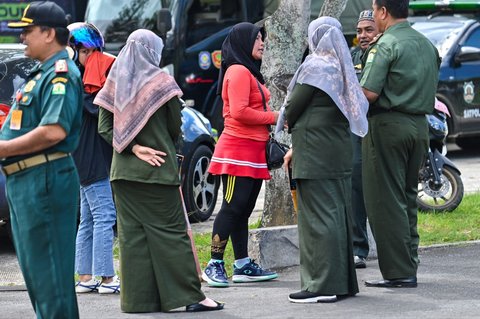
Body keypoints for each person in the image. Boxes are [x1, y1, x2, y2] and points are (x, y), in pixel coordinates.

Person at [95, 29, 223, 313]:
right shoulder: (162, 84)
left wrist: (132, 147)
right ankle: (192, 297)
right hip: (157, 172)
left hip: (123, 175)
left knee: (134, 238)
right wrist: (146, 146)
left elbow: (105, 127)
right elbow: (175, 128)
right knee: (173, 234)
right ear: (151, 51)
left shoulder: (113, 83)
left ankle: (139, 301)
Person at [1, 2, 83, 318]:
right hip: (26, 182)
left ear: (49, 33)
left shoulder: (61, 74)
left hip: (44, 181)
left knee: (51, 282)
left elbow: (54, 131)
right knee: (38, 280)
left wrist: (3, 149)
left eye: (27, 31)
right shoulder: (42, 72)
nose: (22, 38)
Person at [283, 16, 369, 303]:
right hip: (337, 151)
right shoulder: (341, 67)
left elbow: (294, 104)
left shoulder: (316, 65)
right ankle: (341, 283)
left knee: (318, 219)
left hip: (315, 153)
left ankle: (320, 285)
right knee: (336, 214)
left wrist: (287, 123)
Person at [360, 0, 440, 288]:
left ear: (382, 11)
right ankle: (409, 264)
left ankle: (397, 272)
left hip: (387, 125)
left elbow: (368, 92)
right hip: (420, 126)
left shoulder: (385, 44)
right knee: (407, 198)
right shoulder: (427, 44)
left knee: (384, 200)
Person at [202, 22, 279, 287]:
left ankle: (242, 264)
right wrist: (275, 117)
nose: (262, 43)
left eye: (262, 39)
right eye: (257, 39)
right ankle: (213, 263)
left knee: (244, 210)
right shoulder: (237, 70)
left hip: (254, 149)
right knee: (232, 207)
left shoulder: (249, 71)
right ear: (244, 42)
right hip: (237, 149)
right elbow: (238, 111)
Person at [67, 22, 120, 294]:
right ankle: (107, 278)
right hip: (92, 159)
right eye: (88, 51)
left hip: (83, 158)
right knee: (104, 215)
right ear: (77, 51)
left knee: (88, 219)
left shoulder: (73, 79)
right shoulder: (82, 85)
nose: (95, 57)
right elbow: (99, 107)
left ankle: (85, 276)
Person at [350, 9, 379, 269]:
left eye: (368, 29)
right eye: (359, 31)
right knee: (355, 189)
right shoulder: (352, 56)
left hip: (381, 130)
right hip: (357, 134)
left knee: (383, 191)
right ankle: (359, 248)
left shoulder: (384, 54)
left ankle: (395, 247)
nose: (363, 35)